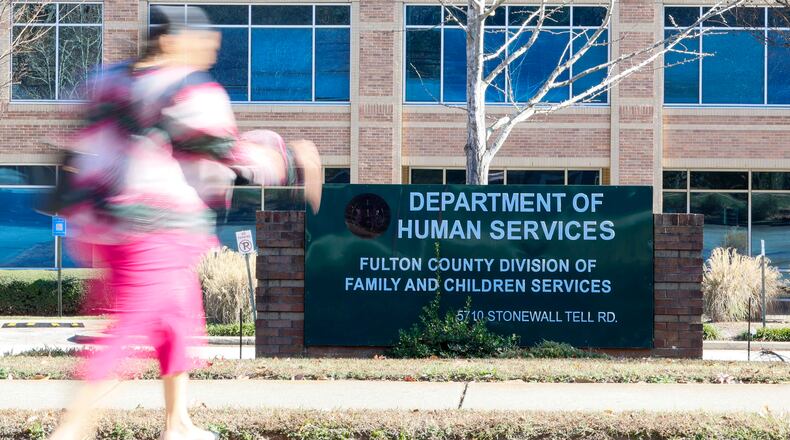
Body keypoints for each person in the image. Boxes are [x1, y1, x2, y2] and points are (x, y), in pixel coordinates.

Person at [47, 6, 321, 440]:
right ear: (175, 41)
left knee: (176, 319)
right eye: (205, 45)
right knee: (131, 324)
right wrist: (290, 160)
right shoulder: (189, 89)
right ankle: (71, 428)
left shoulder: (107, 80)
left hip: (102, 225)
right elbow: (226, 151)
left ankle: (178, 424)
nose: (210, 56)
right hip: (153, 227)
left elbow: (76, 151)